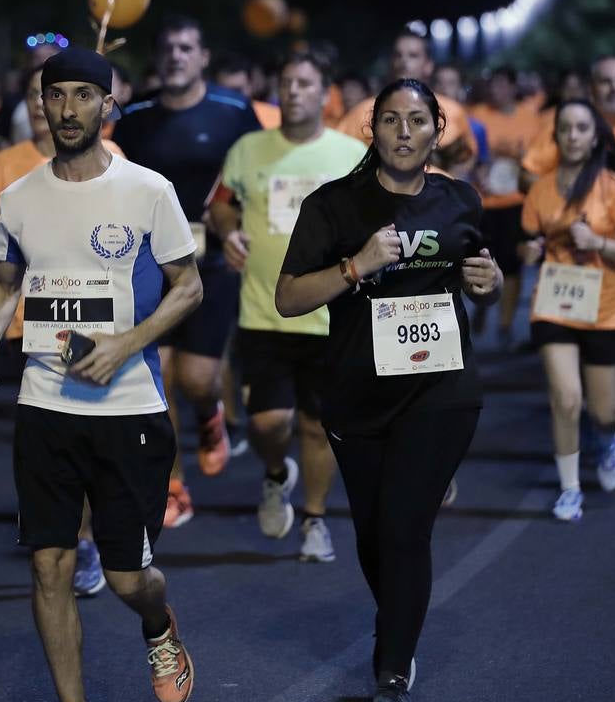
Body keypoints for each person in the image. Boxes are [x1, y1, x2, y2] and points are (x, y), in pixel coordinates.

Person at [0, 48, 200, 702]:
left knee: (129, 578)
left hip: (129, 408)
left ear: (107, 105)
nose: (66, 108)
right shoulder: (19, 197)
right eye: (55, 95)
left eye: (81, 96)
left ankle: (158, 625)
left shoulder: (148, 191)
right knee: (49, 566)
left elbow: (190, 286)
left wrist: (127, 344)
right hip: (44, 405)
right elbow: (4, 284)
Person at [277, 78, 499, 702]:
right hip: (355, 391)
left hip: (441, 389)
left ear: (438, 131)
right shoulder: (334, 206)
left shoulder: (459, 198)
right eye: (391, 120)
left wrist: (489, 281)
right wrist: (356, 267)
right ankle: (398, 621)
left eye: (418, 120)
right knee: (376, 536)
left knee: (405, 528)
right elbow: (288, 298)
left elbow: (478, 270)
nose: (405, 132)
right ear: (371, 131)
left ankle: (392, 675)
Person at [209, 51, 367, 560]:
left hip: (330, 314)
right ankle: (277, 474)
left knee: (317, 425)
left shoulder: (350, 154)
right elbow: (220, 204)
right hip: (265, 310)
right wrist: (229, 233)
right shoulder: (249, 148)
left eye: (305, 83)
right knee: (266, 424)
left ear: (325, 94)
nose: (294, 91)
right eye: (286, 82)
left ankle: (315, 520)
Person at [111, 16, 261, 528]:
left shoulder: (233, 111)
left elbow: (256, 175)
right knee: (160, 379)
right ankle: (174, 485)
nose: (177, 55)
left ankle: (211, 415)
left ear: (202, 57)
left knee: (198, 379)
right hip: (150, 265)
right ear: (159, 57)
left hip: (213, 262)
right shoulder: (133, 117)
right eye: (169, 47)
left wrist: (243, 226)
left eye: (187, 47)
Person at [523, 58, 615, 447]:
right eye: (605, 81)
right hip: (571, 265)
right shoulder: (567, 124)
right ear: (592, 86)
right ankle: (587, 409)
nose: (614, 88)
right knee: (578, 350)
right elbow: (529, 172)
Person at [522, 99, 615, 520]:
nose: (573, 136)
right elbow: (525, 242)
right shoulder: (540, 188)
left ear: (594, 138)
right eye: (565, 128)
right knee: (566, 398)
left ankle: (609, 439)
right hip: (555, 304)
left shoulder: (611, 185)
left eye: (581, 129)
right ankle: (570, 488)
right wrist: (530, 249)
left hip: (605, 308)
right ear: (554, 136)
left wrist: (599, 243)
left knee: (603, 412)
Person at [467, 67, 539, 348]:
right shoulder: (477, 116)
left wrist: (522, 159)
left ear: (512, 87)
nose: (495, 91)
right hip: (484, 201)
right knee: (481, 259)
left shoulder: (529, 118)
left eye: (500, 85)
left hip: (515, 202)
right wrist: (478, 171)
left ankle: (506, 323)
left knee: (511, 264)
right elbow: (468, 154)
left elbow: (539, 159)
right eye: (491, 85)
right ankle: (483, 304)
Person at [334, 32, 476, 175]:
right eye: (398, 55)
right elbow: (340, 157)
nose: (403, 61)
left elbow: (464, 159)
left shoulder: (452, 110)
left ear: (428, 65)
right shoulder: (363, 111)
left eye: (413, 55)